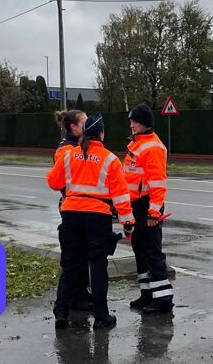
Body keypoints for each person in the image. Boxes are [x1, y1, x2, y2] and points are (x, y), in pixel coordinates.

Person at [47, 112, 134, 330]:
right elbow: (121, 196)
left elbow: (53, 181)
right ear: (102, 134)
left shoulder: (69, 154)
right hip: (98, 217)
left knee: (69, 264)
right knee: (97, 265)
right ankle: (101, 317)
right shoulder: (110, 159)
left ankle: (61, 313)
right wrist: (128, 221)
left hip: (71, 214)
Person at [123, 104, 174, 314]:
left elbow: (157, 183)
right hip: (136, 206)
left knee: (152, 252)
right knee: (140, 250)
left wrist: (154, 213)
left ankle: (163, 299)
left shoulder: (152, 147)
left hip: (147, 206)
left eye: (134, 121)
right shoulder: (137, 144)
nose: (131, 124)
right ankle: (147, 294)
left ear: (144, 123)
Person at [53, 109, 92, 311]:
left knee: (83, 253)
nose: (88, 125)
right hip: (72, 206)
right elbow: (60, 180)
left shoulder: (78, 145)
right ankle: (75, 297)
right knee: (75, 254)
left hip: (80, 206)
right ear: (73, 127)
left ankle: (82, 292)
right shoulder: (66, 149)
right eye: (84, 122)